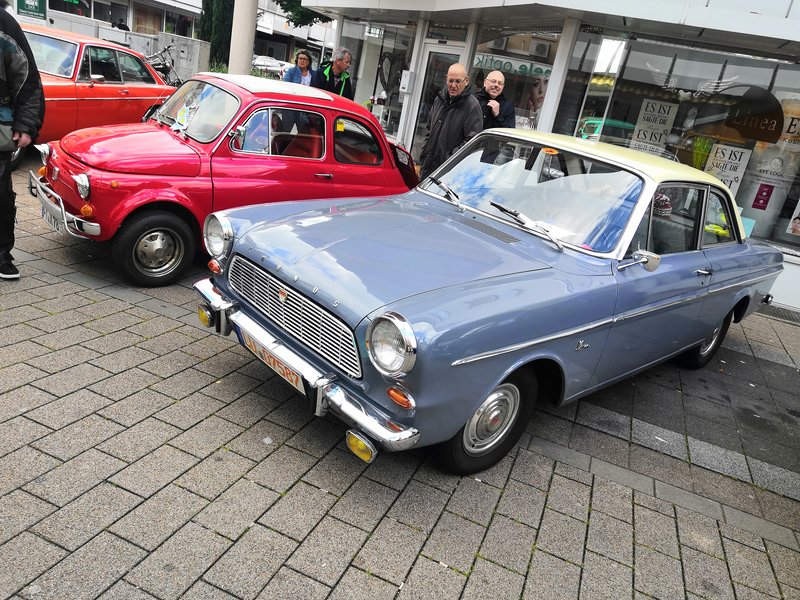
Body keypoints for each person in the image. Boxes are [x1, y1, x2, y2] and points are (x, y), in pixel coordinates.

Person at [0, 0, 45, 280]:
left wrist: (26, 125)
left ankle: (2, 252)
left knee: (1, 195)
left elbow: (27, 78)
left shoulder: (4, 25)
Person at [418, 63, 482, 179]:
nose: (453, 85)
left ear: (466, 81)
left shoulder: (472, 106)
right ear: (446, 79)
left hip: (449, 174)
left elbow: (471, 142)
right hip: (427, 168)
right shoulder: (439, 99)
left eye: (458, 81)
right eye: (450, 81)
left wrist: (449, 160)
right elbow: (429, 130)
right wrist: (425, 153)